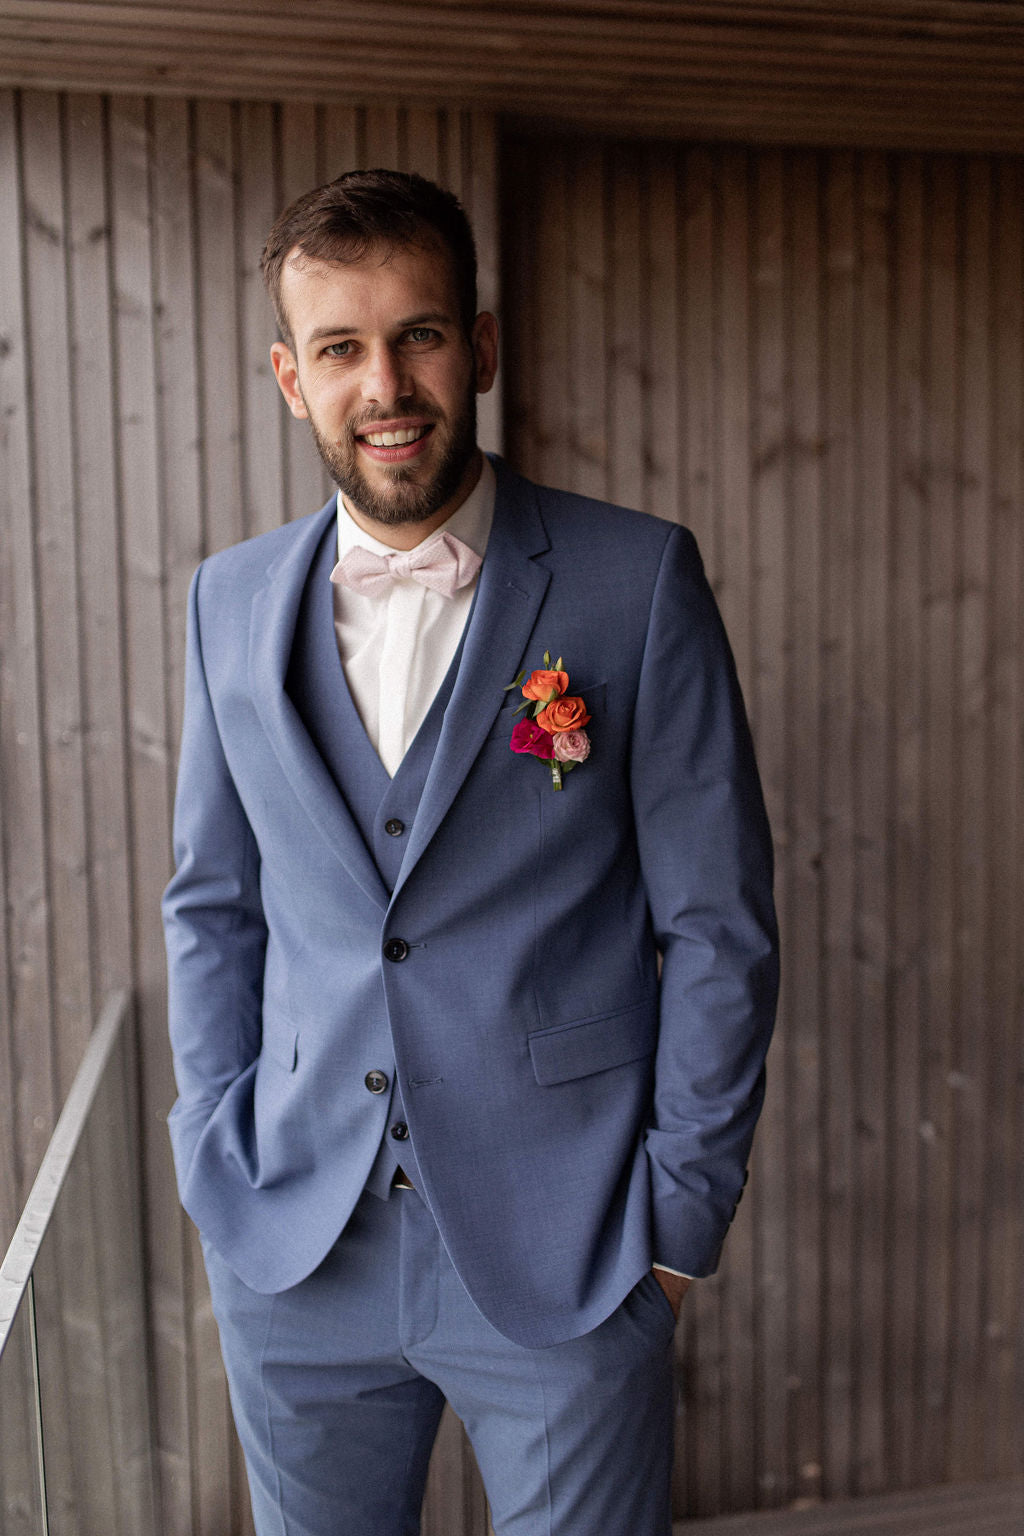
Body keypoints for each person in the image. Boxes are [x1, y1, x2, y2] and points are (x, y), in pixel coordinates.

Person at [162, 168, 778, 1536]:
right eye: (340, 348)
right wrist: (213, 1149)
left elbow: (719, 925)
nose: (385, 382)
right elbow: (212, 905)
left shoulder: (636, 583)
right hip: (294, 1246)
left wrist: (675, 1224)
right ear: (290, 376)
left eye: (419, 334)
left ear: (481, 346)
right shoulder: (227, 604)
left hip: (571, 1249)